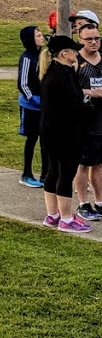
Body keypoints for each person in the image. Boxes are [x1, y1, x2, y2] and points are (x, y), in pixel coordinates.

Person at [40, 35, 93, 233]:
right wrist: (87, 105)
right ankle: (67, 218)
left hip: (49, 130)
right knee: (66, 172)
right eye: (73, 50)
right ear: (64, 53)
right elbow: (74, 104)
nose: (77, 53)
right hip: (66, 132)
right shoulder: (64, 74)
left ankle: (52, 214)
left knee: (53, 170)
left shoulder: (50, 72)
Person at [75, 20, 102, 220]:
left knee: (99, 163)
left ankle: (100, 202)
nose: (93, 42)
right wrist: (92, 93)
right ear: (80, 39)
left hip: (100, 121)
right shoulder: (76, 61)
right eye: (89, 39)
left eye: (96, 38)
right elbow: (69, 90)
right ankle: (83, 203)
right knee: (83, 163)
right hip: (83, 120)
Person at [16, 25, 46, 187]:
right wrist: (34, 99)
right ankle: (26, 174)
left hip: (43, 105)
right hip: (30, 106)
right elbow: (22, 83)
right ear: (30, 39)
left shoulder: (42, 55)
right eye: (38, 35)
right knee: (32, 138)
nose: (42, 37)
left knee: (45, 140)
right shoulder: (27, 57)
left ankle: (45, 175)